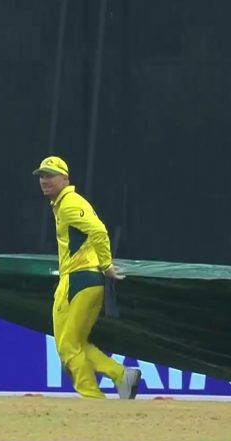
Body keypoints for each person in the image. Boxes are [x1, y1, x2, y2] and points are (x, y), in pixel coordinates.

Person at [33, 156, 141, 399]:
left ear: (65, 178)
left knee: (69, 347)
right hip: (78, 280)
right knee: (73, 344)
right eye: (41, 175)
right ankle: (120, 375)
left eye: (50, 175)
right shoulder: (63, 204)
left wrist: (106, 265)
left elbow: (99, 230)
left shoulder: (70, 203)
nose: (44, 180)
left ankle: (92, 397)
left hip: (79, 280)